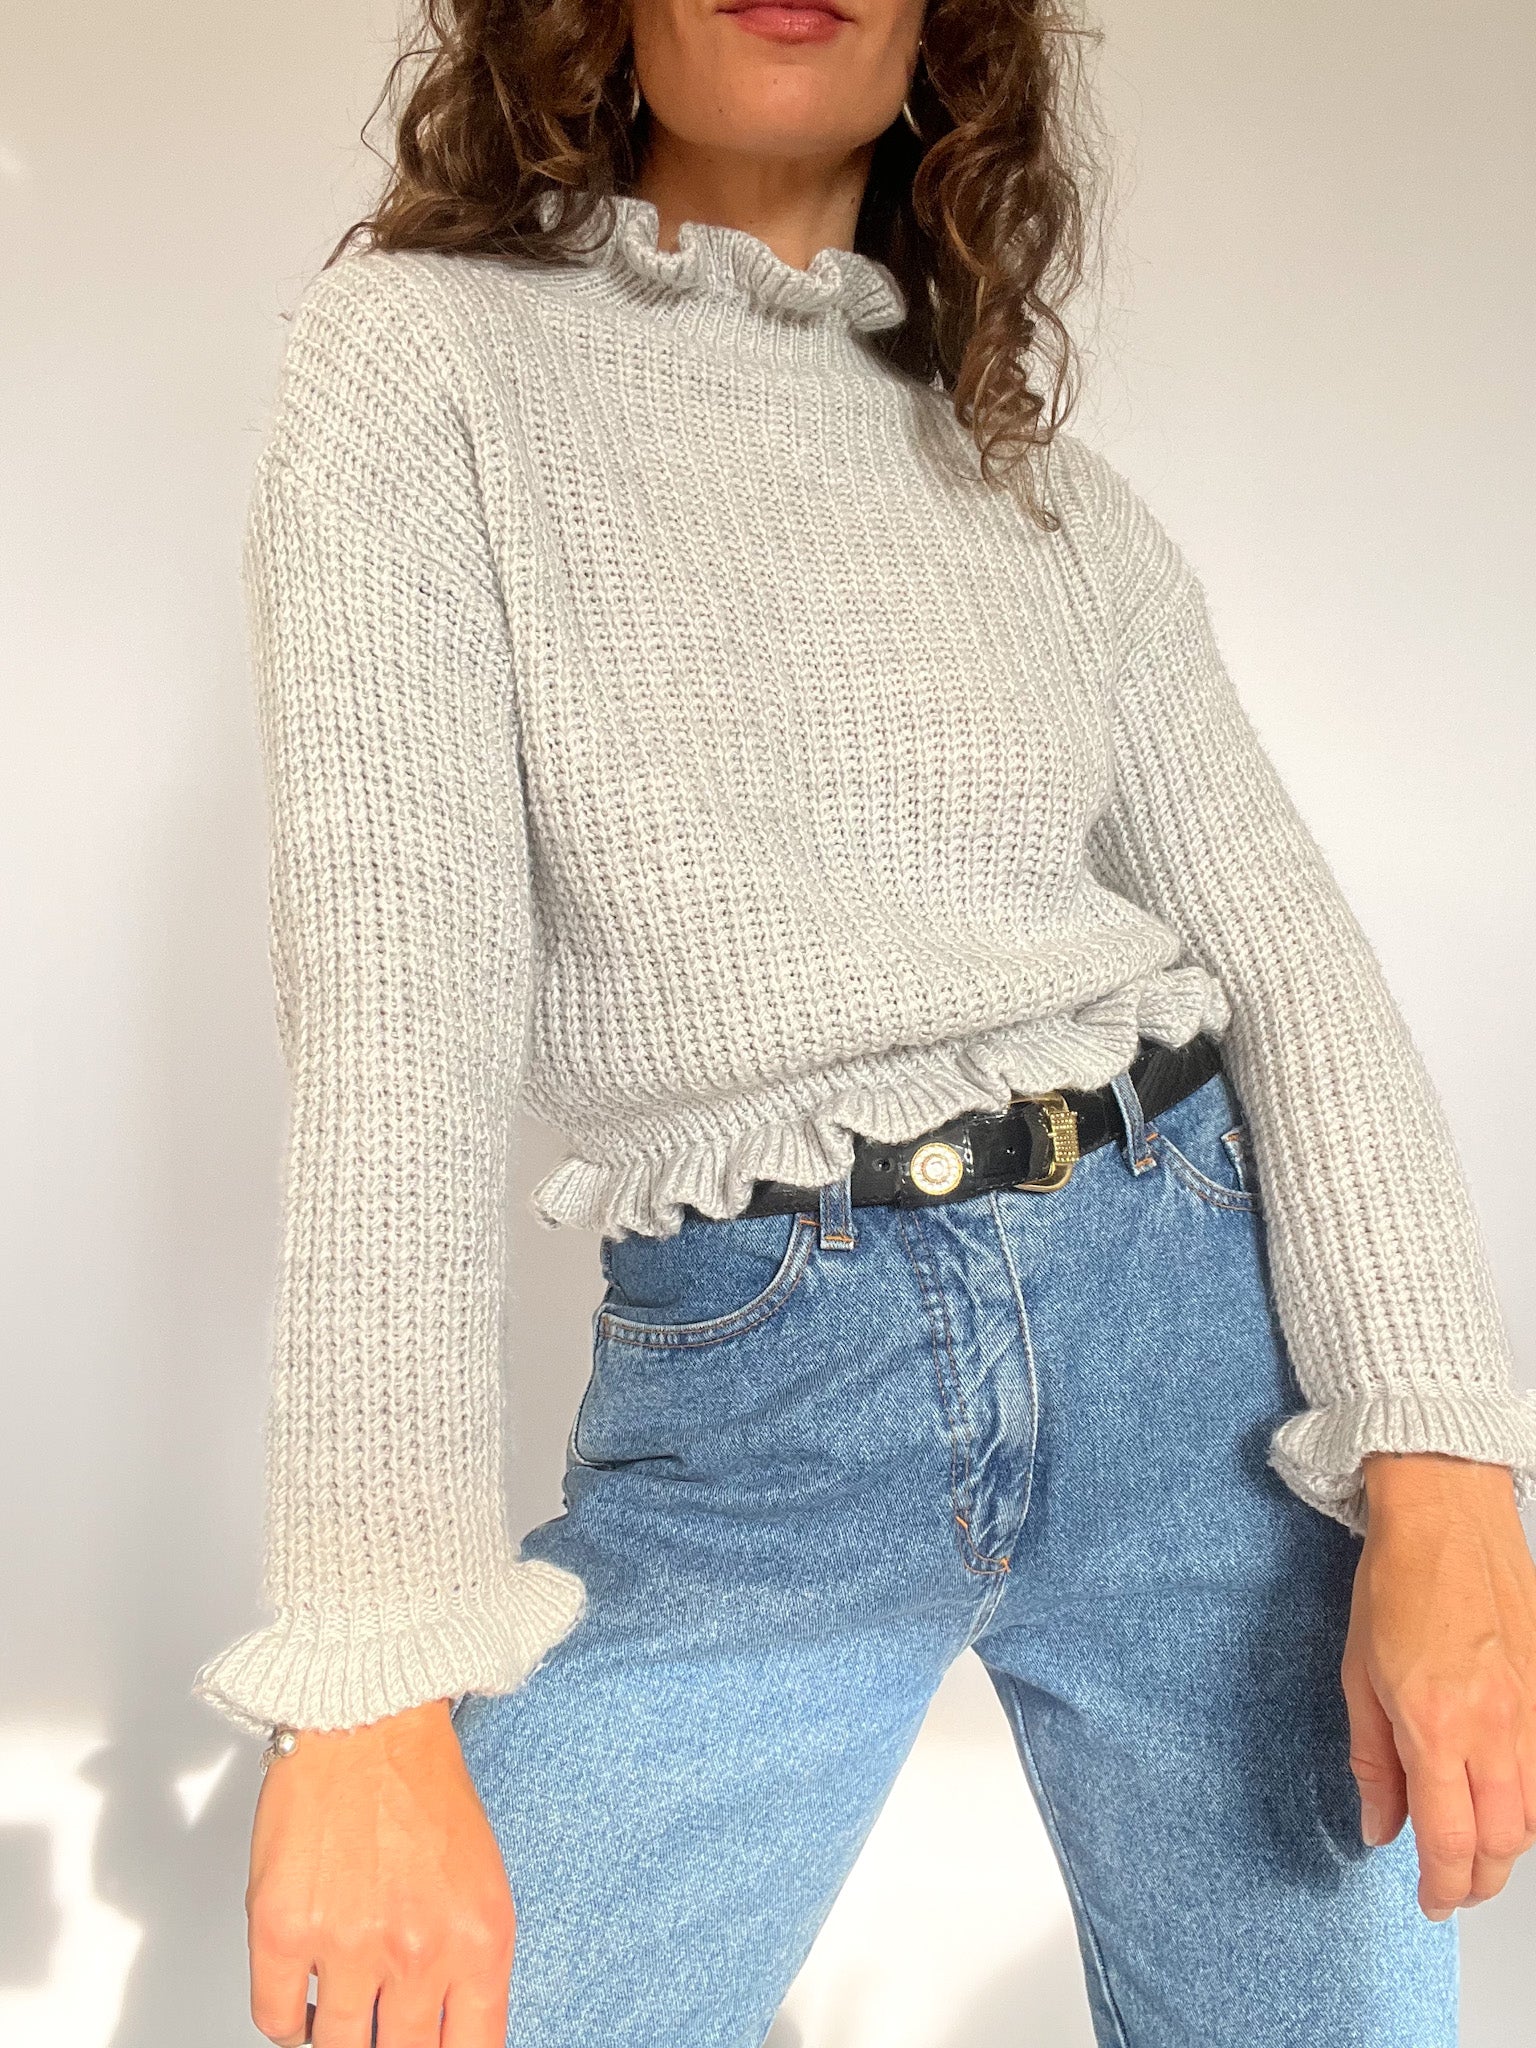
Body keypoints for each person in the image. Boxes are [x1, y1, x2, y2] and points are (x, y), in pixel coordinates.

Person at [193, 0, 1536, 2042]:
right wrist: (373, 1674)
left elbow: (1297, 968)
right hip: (763, 1416)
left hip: (1197, 1361)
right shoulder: (424, 361)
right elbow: (396, 1025)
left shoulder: (1045, 496)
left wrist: (1444, 1469)